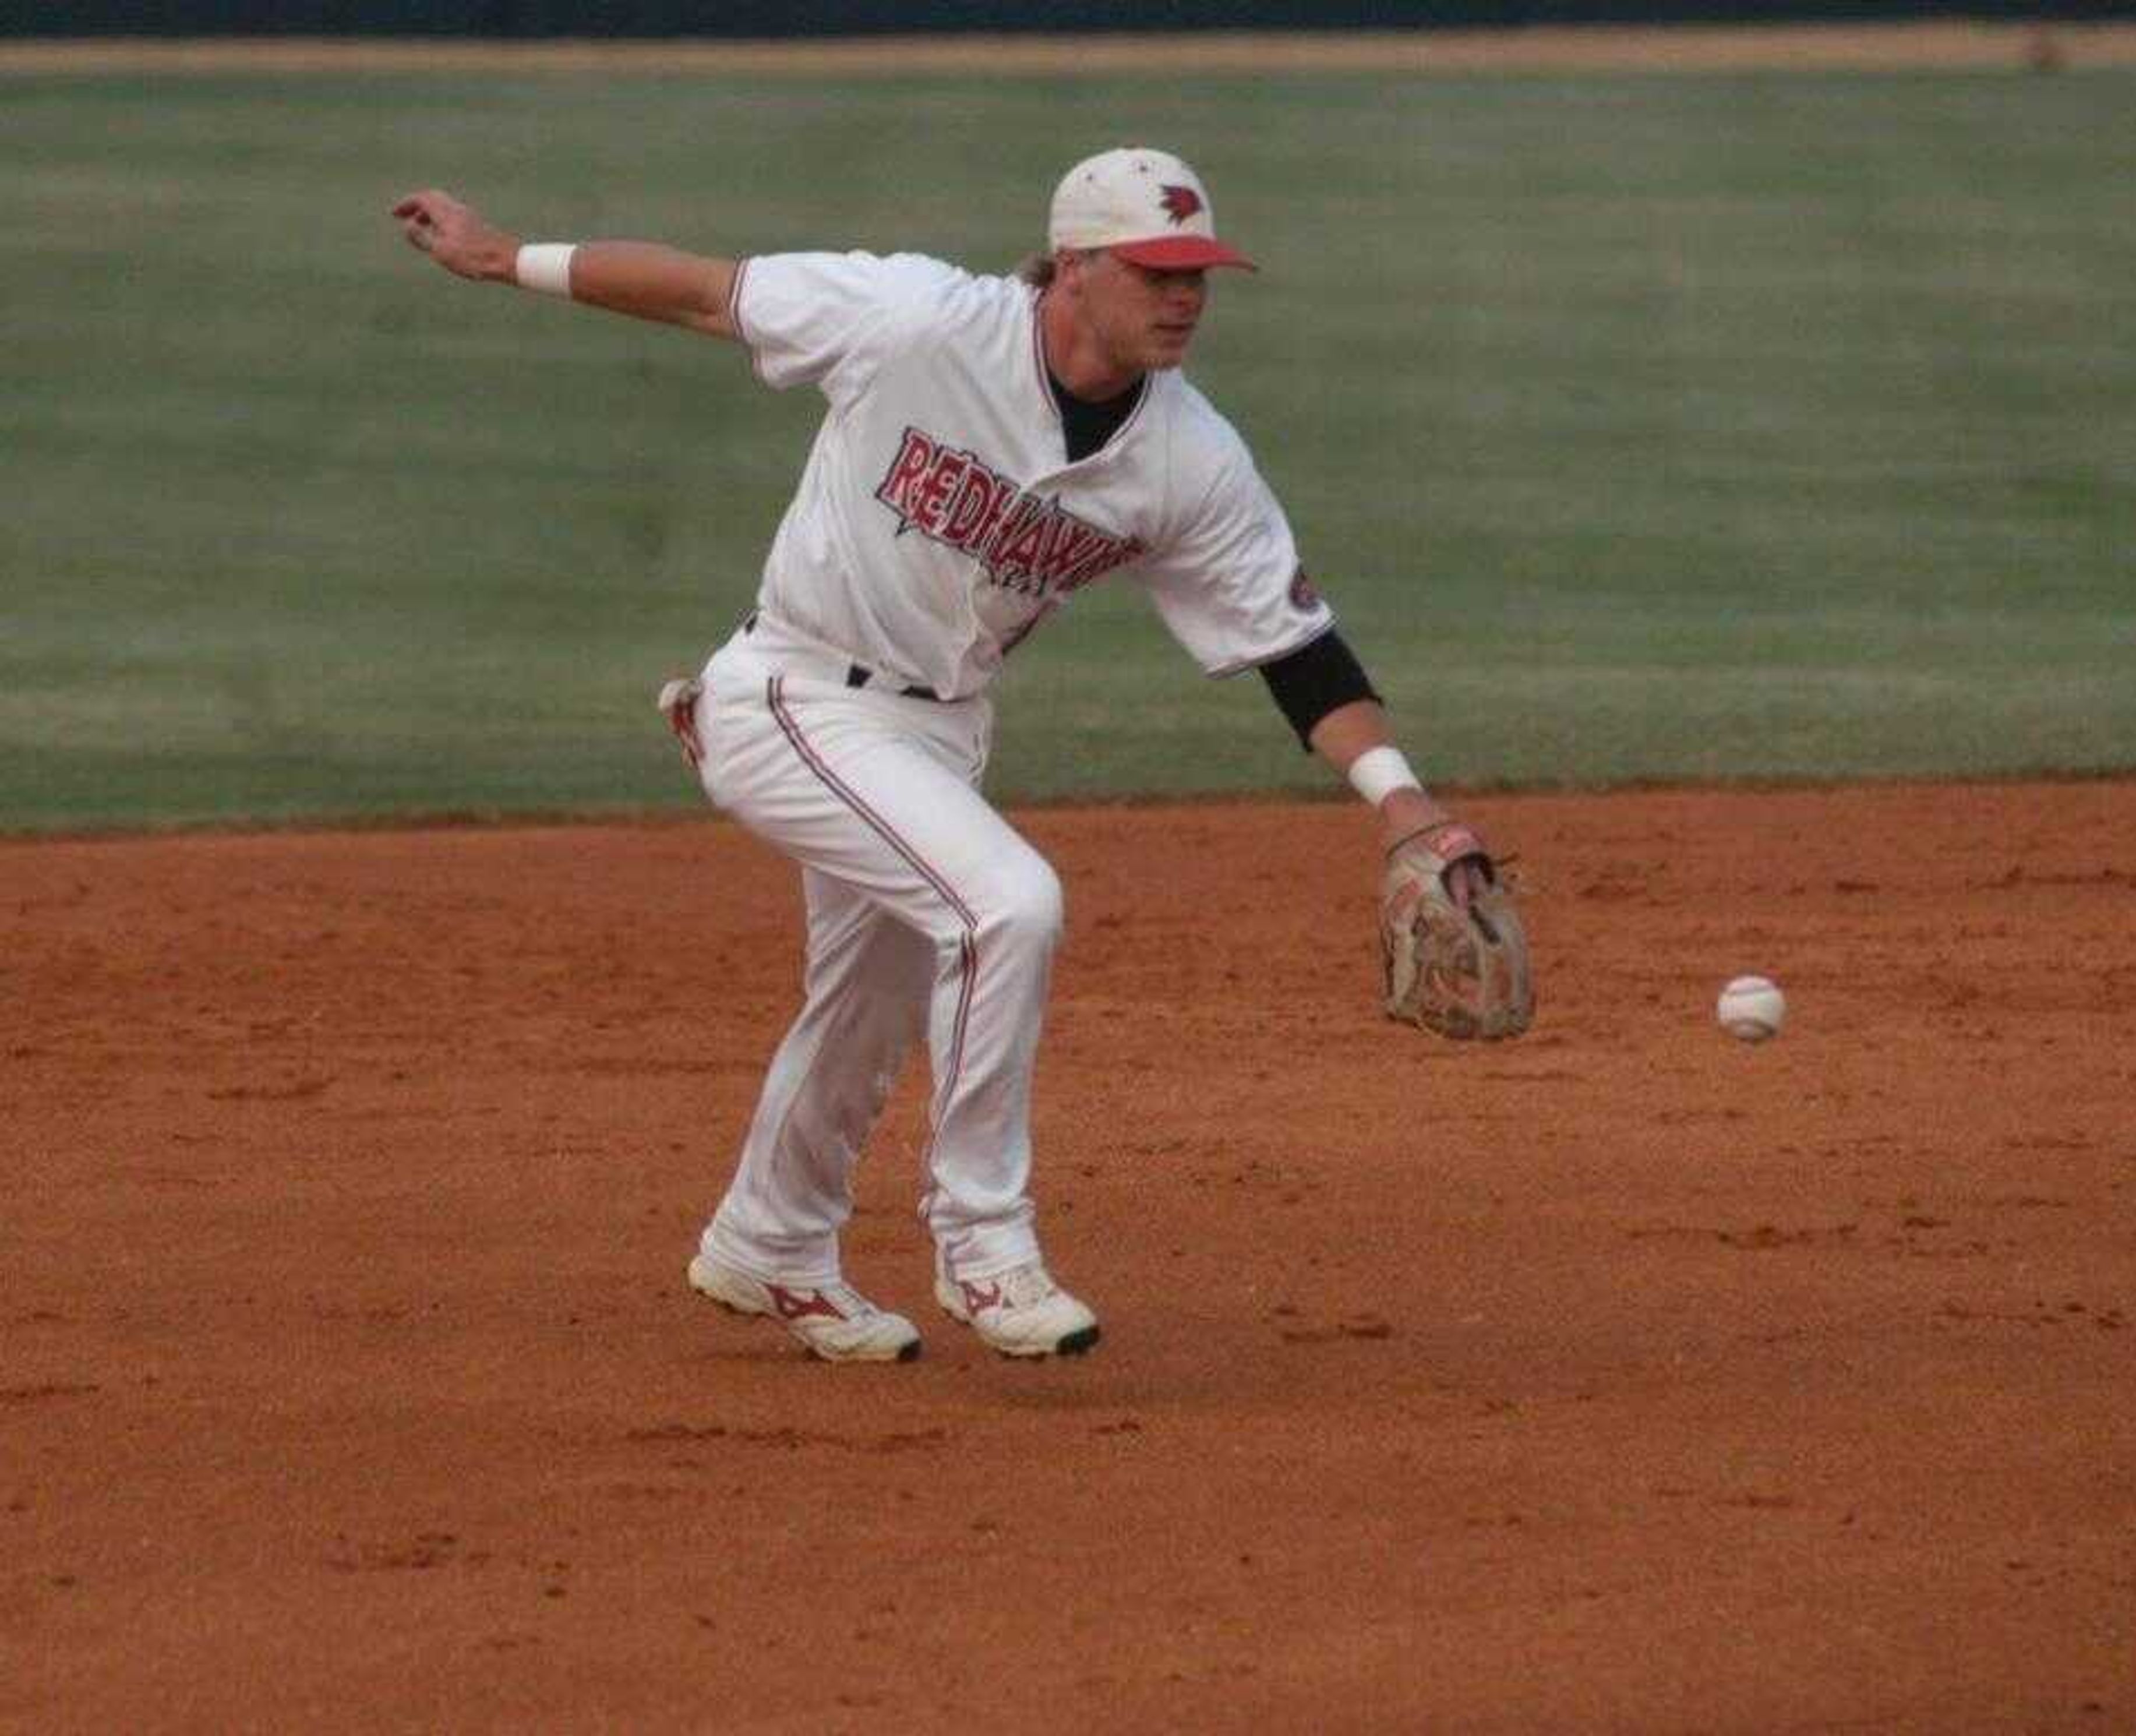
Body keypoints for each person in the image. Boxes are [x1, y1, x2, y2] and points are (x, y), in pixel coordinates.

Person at [393, 147, 1485, 1364]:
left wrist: (1405, 806)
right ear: (1074, 265)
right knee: (1008, 903)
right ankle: (985, 1245)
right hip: (793, 695)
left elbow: (1296, 647)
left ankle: (771, 1241)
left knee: (869, 1000)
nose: (1185, 298)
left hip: (935, 736)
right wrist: (505, 258)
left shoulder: (1192, 456)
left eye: (1201, 275)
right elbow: (710, 290)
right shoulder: (918, 318)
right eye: (1156, 271)